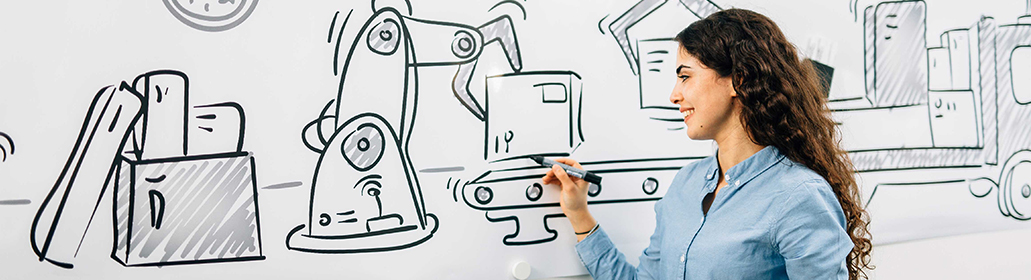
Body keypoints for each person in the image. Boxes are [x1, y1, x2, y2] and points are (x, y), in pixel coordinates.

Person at [542, 8, 873, 280]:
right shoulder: (685, 184)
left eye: (685, 76)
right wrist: (579, 214)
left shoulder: (798, 196)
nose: (674, 95)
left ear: (738, 80)